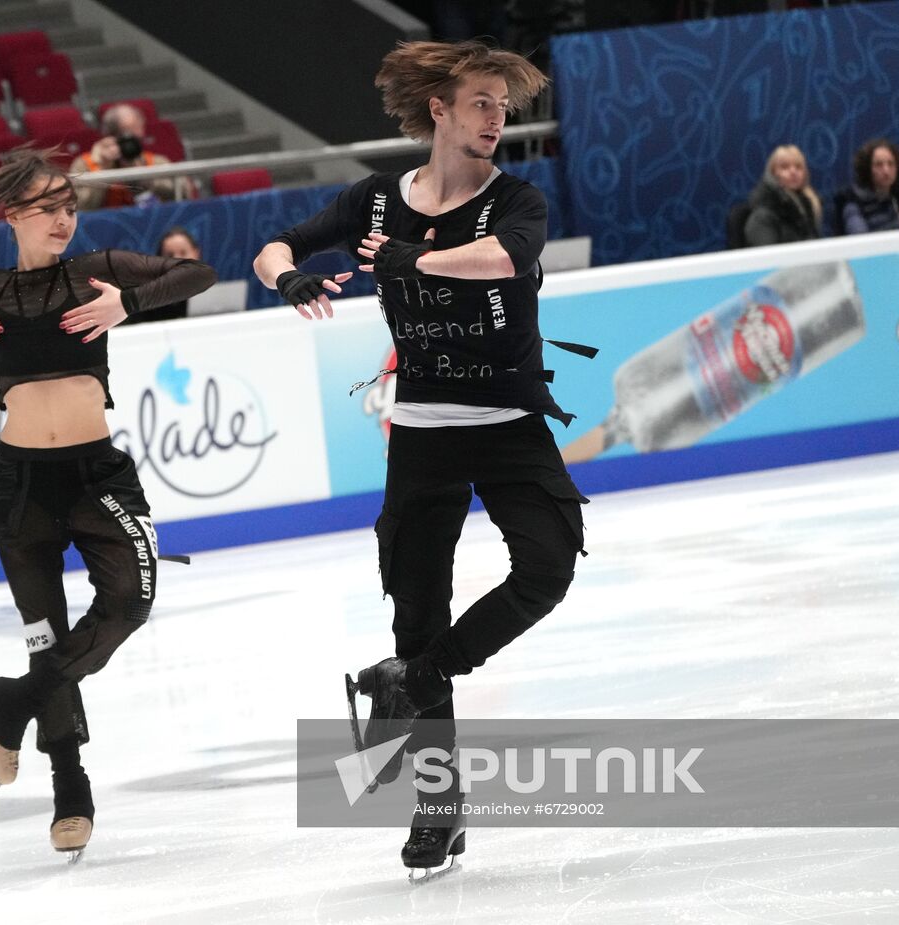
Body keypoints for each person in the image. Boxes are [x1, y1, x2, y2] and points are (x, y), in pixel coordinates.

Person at [253, 39, 592, 877]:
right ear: (439, 109)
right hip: (423, 437)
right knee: (417, 608)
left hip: (510, 421)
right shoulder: (374, 201)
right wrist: (288, 277)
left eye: (503, 106)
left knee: (548, 567)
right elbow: (274, 247)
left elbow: (506, 259)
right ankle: (438, 809)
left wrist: (418, 258)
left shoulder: (516, 198)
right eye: (481, 102)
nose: (496, 119)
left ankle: (411, 678)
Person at [0, 147, 215, 858]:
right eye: (49, 207)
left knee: (129, 601)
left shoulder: (97, 274)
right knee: (45, 630)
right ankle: (71, 786)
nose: (64, 219)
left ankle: (10, 704)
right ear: (13, 214)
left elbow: (198, 271)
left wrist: (128, 301)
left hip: (100, 476)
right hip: (22, 483)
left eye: (71, 206)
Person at [70, 103, 194, 209]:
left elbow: (184, 194)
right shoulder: (85, 164)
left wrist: (148, 179)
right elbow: (79, 208)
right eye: (122, 138)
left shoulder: (156, 162)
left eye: (133, 139)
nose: (127, 145)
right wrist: (101, 170)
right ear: (107, 136)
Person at [839, 139, 899, 234]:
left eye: (891, 164)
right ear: (867, 170)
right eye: (878, 165)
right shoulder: (853, 205)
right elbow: (860, 239)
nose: (886, 171)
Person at [743, 144, 822, 246]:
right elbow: (768, 258)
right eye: (785, 167)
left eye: (798, 167)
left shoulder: (809, 205)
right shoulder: (763, 215)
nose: (793, 172)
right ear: (773, 173)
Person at [121, 226, 201, 325]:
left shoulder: (213, 293)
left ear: (196, 254)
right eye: (170, 255)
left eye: (183, 253)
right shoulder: (147, 300)